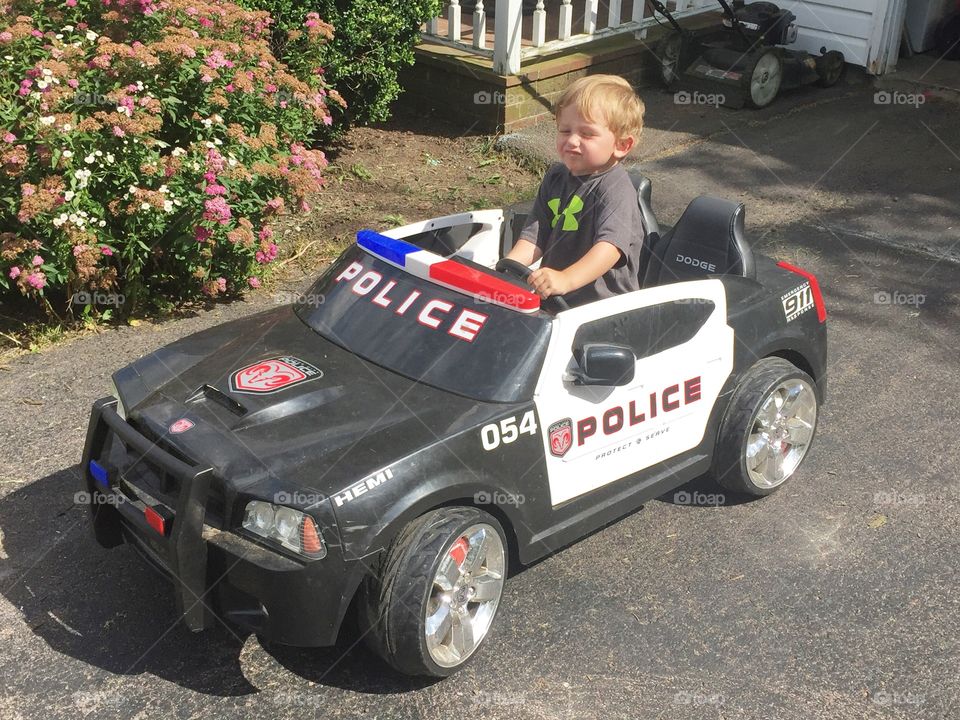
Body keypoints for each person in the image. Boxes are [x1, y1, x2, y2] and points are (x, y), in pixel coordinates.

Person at [505, 74, 646, 306]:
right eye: (565, 130)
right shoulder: (555, 177)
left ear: (622, 145)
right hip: (555, 297)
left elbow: (610, 248)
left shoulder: (616, 188)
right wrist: (506, 269)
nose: (571, 141)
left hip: (603, 311)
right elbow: (535, 235)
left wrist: (566, 279)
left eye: (587, 134)